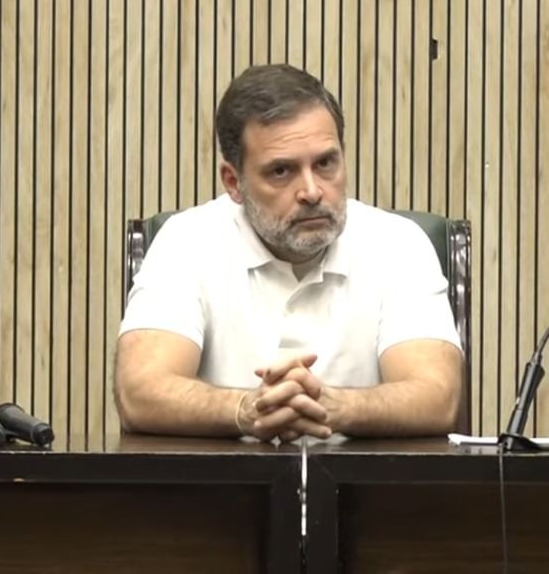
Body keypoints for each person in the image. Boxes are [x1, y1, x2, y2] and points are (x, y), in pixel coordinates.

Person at [115, 64, 463, 441]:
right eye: (281, 171)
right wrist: (245, 409)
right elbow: (139, 392)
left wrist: (334, 407)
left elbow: (437, 398)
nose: (311, 192)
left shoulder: (398, 243)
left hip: (365, 478)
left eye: (325, 163)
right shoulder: (186, 241)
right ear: (233, 182)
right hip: (223, 478)